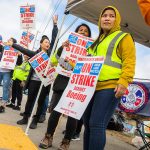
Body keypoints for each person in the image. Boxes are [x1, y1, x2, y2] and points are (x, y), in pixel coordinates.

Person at [82, 6, 136, 150]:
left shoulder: (123, 37)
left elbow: (129, 61)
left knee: (96, 123)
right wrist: (69, 61)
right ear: (100, 20)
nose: (107, 18)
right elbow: (87, 62)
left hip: (110, 86)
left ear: (117, 19)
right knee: (87, 122)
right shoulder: (96, 41)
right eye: (104, 15)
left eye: (111, 16)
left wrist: (124, 81)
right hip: (92, 86)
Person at [39, 23, 91, 150]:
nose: (82, 32)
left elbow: (88, 68)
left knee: (72, 115)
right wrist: (62, 48)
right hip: (62, 81)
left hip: (77, 85)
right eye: (80, 30)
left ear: (89, 36)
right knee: (56, 112)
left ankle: (66, 142)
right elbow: (57, 60)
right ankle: (48, 137)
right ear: (75, 33)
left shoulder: (91, 50)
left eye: (85, 31)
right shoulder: (66, 46)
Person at [5, 15, 58, 126]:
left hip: (44, 83)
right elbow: (23, 49)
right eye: (45, 42)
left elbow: (55, 38)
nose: (48, 44)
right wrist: (13, 44)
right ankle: (25, 117)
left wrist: (55, 24)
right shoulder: (35, 54)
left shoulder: (50, 55)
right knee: (30, 100)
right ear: (41, 43)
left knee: (40, 102)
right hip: (34, 81)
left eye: (48, 43)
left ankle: (35, 120)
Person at [0, 37, 22, 113]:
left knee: (5, 89)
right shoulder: (4, 48)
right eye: (8, 39)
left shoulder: (16, 51)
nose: (8, 40)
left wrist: (19, 55)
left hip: (7, 72)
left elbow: (19, 63)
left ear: (13, 43)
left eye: (10, 40)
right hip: (0, 69)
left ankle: (3, 106)